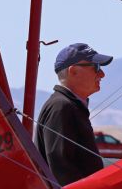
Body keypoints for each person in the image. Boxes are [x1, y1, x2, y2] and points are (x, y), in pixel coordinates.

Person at [34, 43, 113, 185]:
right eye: (96, 67)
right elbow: (61, 168)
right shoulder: (61, 106)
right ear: (73, 71)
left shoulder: (69, 105)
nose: (102, 74)